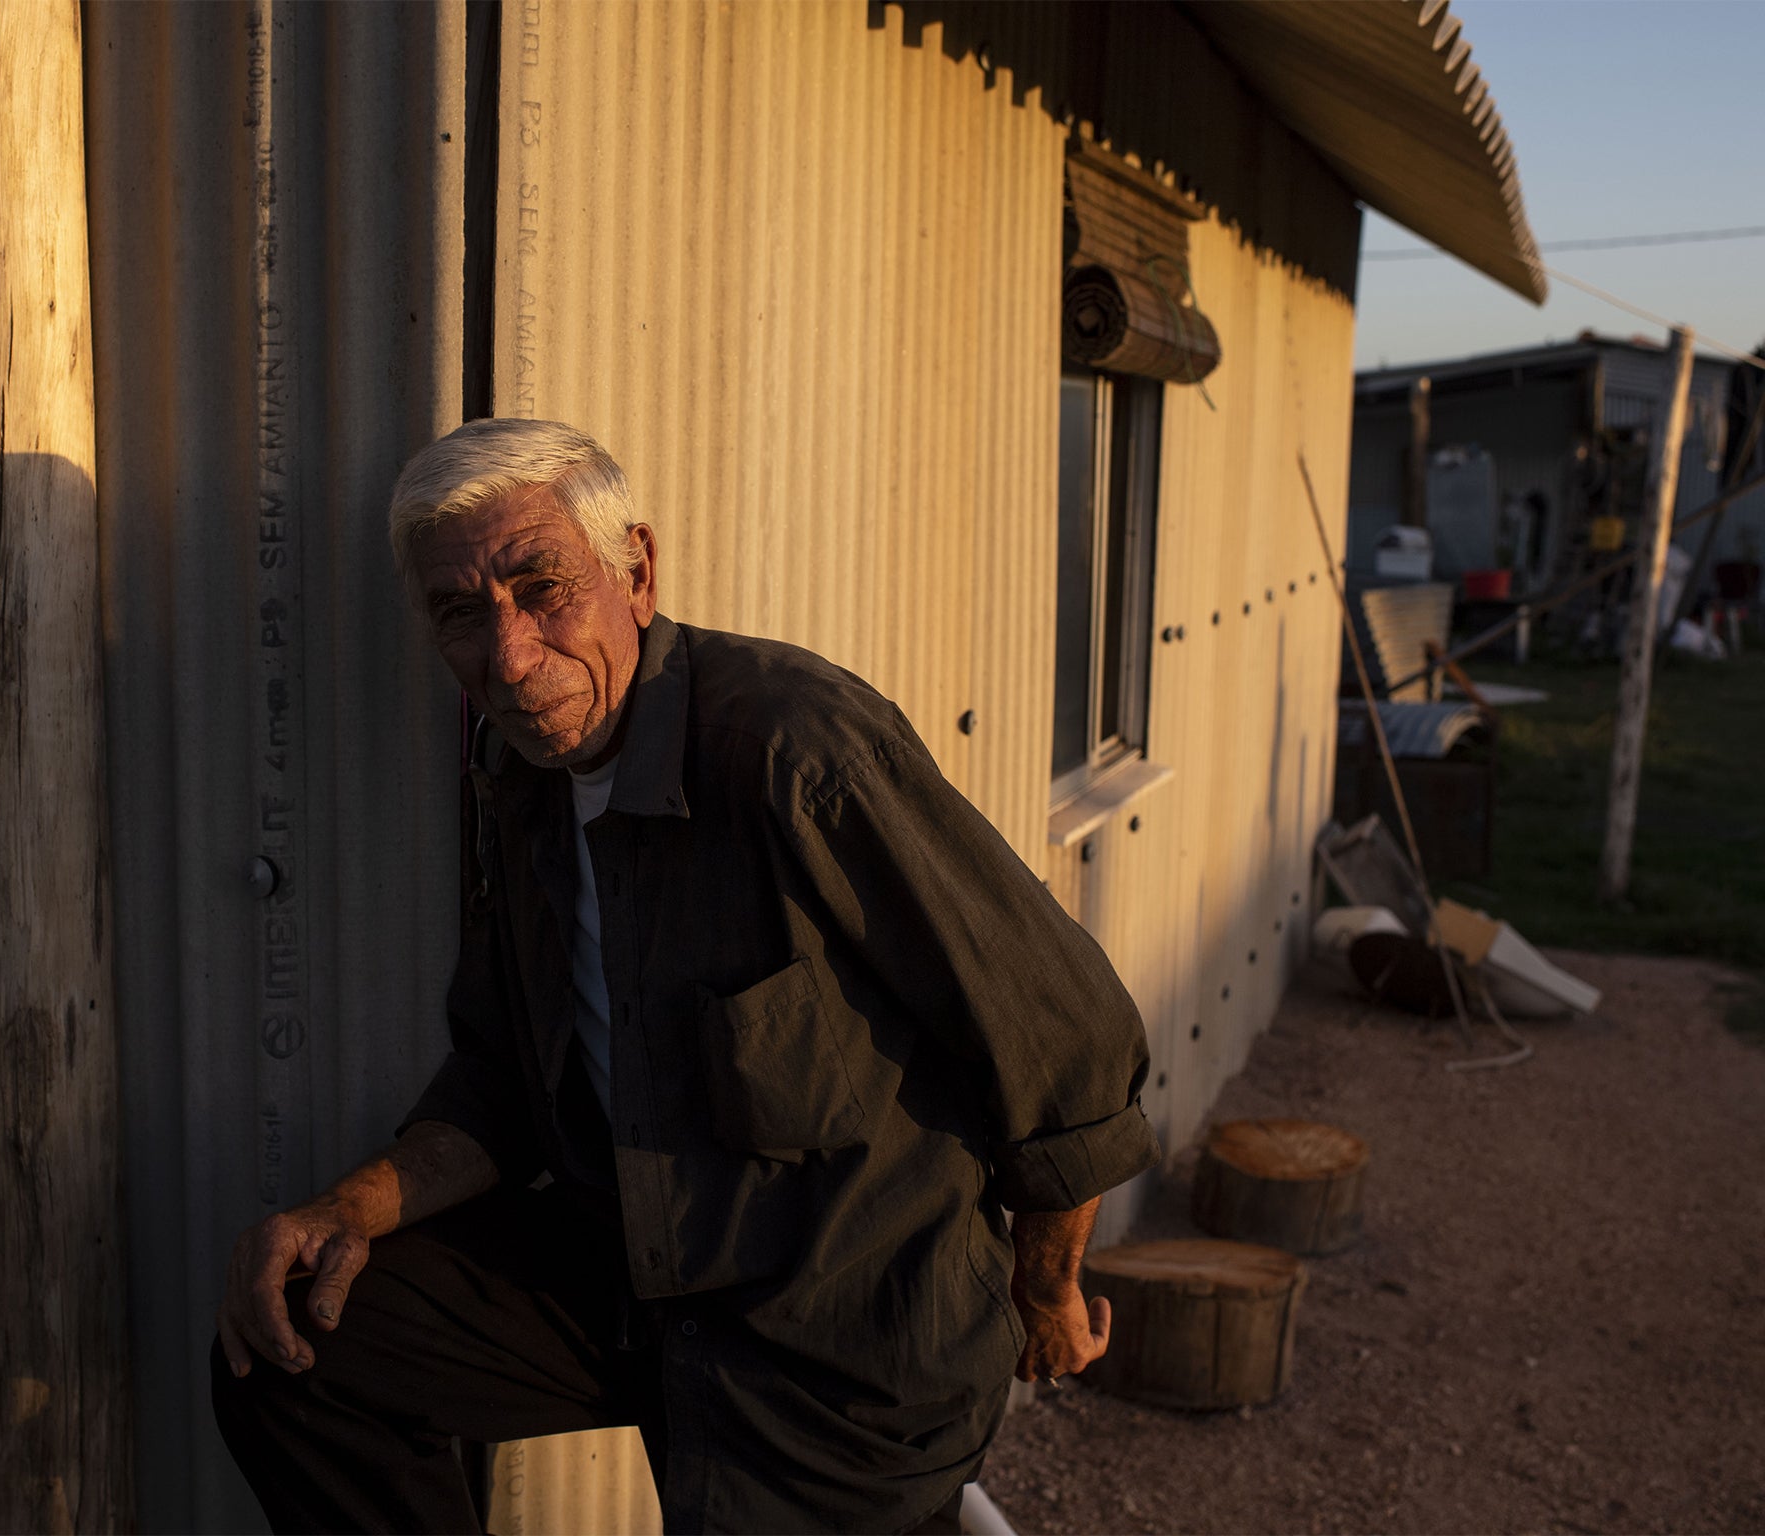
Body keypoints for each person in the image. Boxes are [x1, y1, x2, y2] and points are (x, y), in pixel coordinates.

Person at [212, 418, 1160, 1534]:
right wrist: (340, 1211)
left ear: (638, 573)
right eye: (463, 615)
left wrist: (1044, 1291)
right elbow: (502, 1088)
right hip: (640, 1278)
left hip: (840, 1335)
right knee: (290, 1349)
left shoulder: (791, 748)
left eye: (541, 588)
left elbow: (1070, 1049)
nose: (508, 658)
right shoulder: (515, 782)